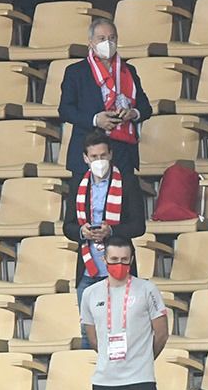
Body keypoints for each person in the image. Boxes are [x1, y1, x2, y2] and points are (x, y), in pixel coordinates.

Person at [80, 235, 169, 390]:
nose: (120, 264)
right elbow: (92, 335)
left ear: (131, 261)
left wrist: (143, 359)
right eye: (114, 259)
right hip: (105, 382)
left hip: (139, 380)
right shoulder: (91, 294)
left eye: (125, 260)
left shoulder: (147, 289)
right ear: (105, 260)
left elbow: (161, 333)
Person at [61, 131, 148, 309]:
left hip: (119, 268)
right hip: (87, 268)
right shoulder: (78, 184)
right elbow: (67, 226)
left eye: (103, 155)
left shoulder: (128, 181)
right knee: (87, 329)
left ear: (110, 155)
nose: (99, 160)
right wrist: (81, 232)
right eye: (94, 156)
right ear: (85, 158)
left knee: (121, 326)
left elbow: (139, 226)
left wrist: (112, 231)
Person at [59, 18, 154, 177]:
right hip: (88, 148)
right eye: (101, 39)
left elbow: (146, 108)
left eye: (112, 38)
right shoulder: (76, 72)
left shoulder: (128, 70)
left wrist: (133, 113)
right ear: (91, 42)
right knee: (86, 200)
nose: (107, 43)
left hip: (122, 149)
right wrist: (95, 120)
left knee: (126, 199)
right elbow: (65, 110)